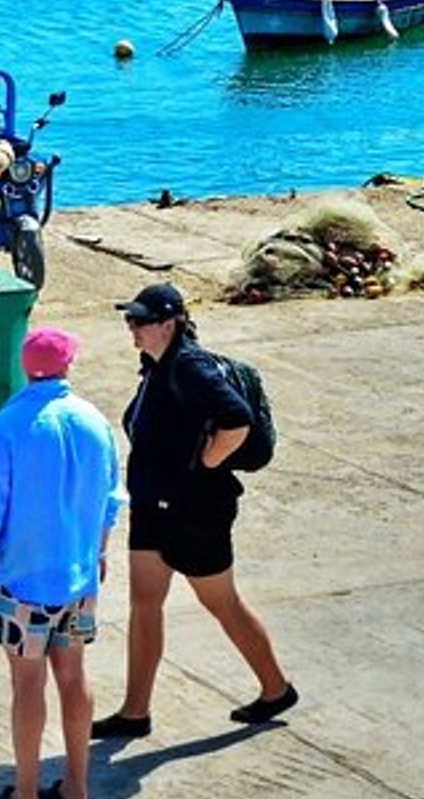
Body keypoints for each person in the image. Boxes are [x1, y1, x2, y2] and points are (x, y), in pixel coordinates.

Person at [93, 283, 297, 740]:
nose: (132, 328)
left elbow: (237, 420)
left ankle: (276, 688)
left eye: (141, 321)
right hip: (153, 507)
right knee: (145, 604)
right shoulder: (155, 364)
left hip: (196, 511)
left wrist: (208, 461)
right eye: (130, 319)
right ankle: (135, 712)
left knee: (221, 603)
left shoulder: (189, 366)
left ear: (170, 324)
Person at [0, 327, 124, 799]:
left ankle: (26, 791)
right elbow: (111, 499)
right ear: (68, 366)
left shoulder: (10, 424)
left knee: (27, 683)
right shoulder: (94, 421)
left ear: (26, 369)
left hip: (23, 581)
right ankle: (77, 785)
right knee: (74, 678)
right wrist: (101, 552)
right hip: (78, 578)